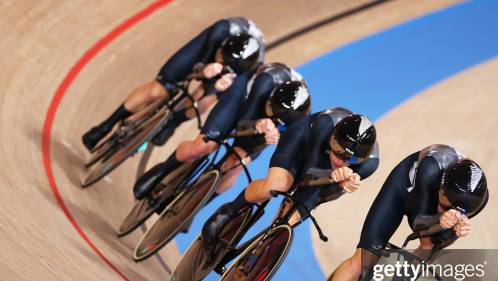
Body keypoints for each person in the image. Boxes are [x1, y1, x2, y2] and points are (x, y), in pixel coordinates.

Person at [297, 144, 489, 281]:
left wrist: (453, 230)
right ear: (441, 188)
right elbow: (418, 225)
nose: (446, 209)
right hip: (402, 191)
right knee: (365, 259)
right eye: (444, 203)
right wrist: (442, 220)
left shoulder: (478, 200)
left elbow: (436, 240)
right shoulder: (431, 170)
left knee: (428, 249)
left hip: (435, 217)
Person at [132, 62, 311, 202]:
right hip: (243, 98)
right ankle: (161, 172)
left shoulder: (298, 119)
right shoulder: (265, 84)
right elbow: (241, 125)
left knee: (236, 165)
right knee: (203, 146)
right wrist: (258, 122)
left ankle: (197, 204)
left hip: (265, 123)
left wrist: (273, 135)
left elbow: (287, 152)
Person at [82, 17, 265, 151]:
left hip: (235, 73)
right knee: (158, 89)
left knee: (205, 100)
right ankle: (106, 125)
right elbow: (197, 65)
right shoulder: (221, 32)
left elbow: (218, 96)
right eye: (222, 59)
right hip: (207, 53)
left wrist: (213, 88)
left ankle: (173, 123)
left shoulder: (248, 70)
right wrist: (204, 69)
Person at [201, 109, 380, 243]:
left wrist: (342, 184)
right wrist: (333, 175)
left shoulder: (369, 165)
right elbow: (306, 176)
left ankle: (260, 250)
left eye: (351, 160)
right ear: (333, 139)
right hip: (303, 144)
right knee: (276, 186)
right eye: (339, 153)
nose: (342, 162)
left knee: (288, 221)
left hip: (326, 176)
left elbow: (322, 193)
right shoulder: (325, 125)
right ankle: (230, 210)